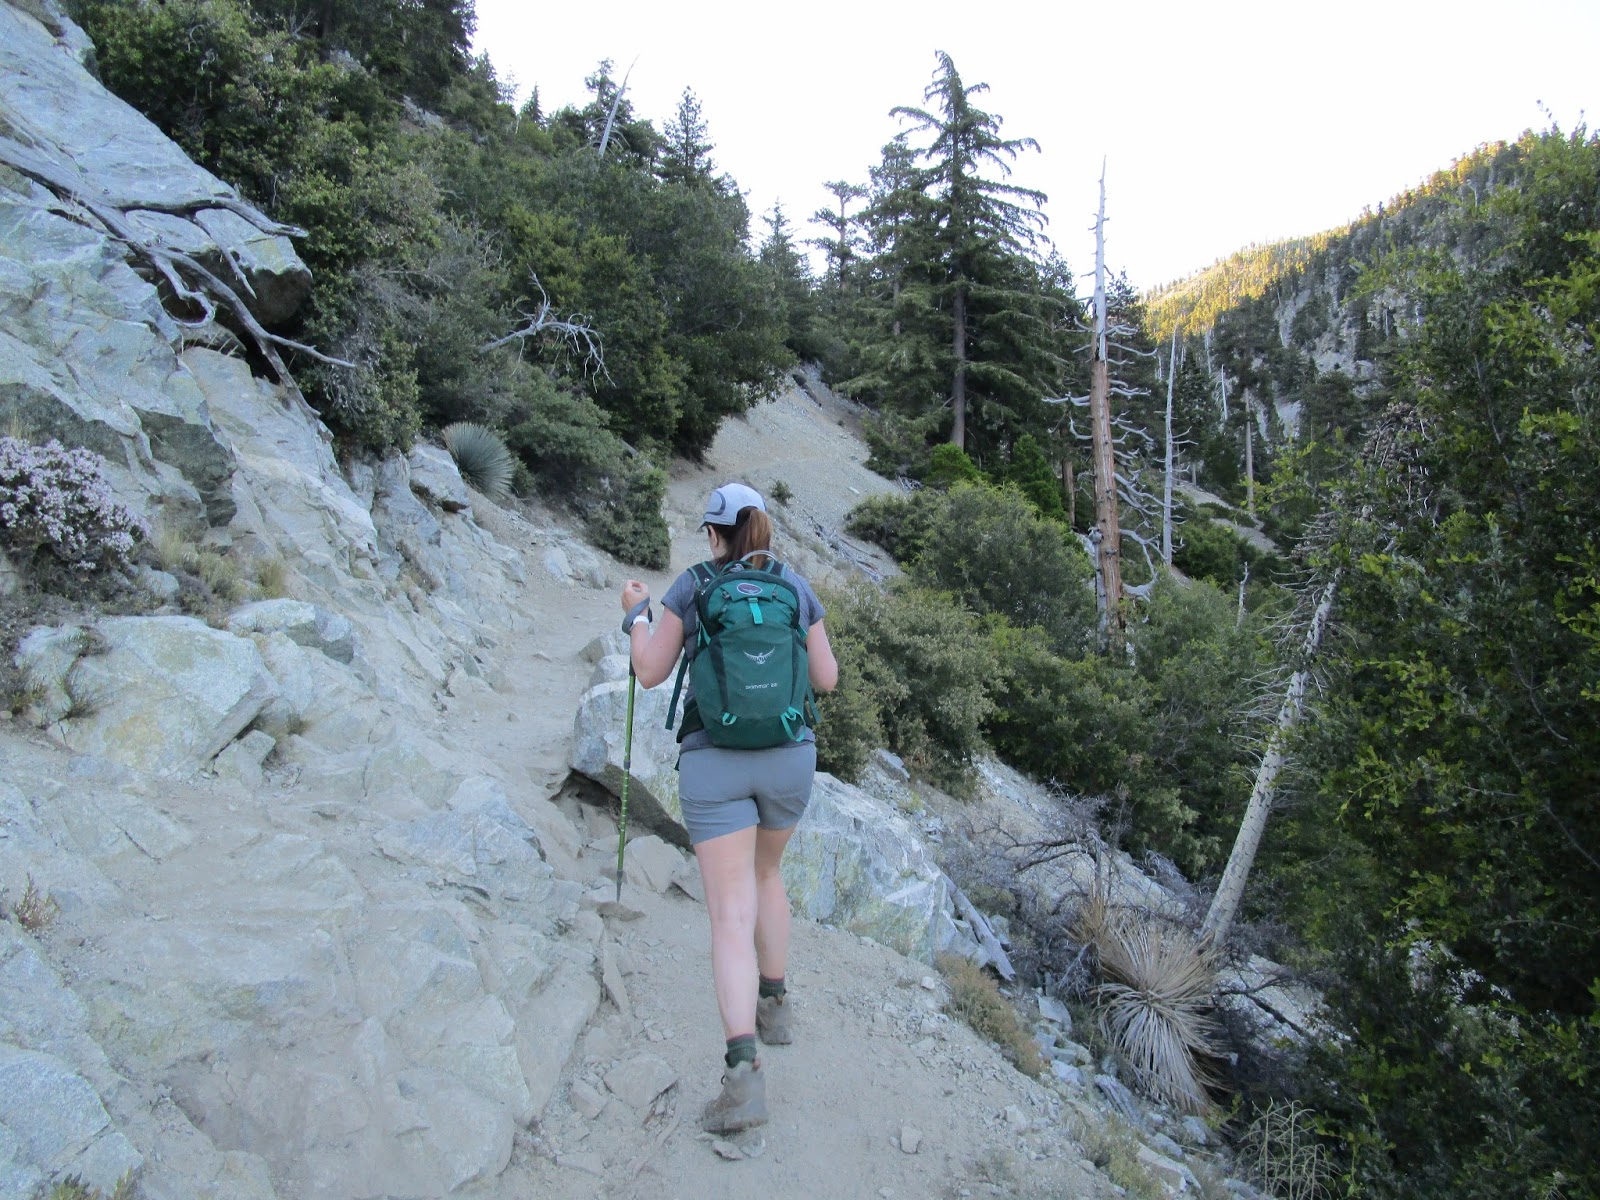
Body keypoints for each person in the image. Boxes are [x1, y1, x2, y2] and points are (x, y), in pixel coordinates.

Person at [619, 482, 838, 1134]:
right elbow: (825, 679)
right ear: (764, 531)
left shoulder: (692, 585)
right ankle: (776, 1004)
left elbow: (651, 672)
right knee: (768, 874)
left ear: (715, 533)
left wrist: (635, 615)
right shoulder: (796, 588)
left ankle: (742, 1076)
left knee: (729, 914)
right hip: (790, 754)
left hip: (714, 759)